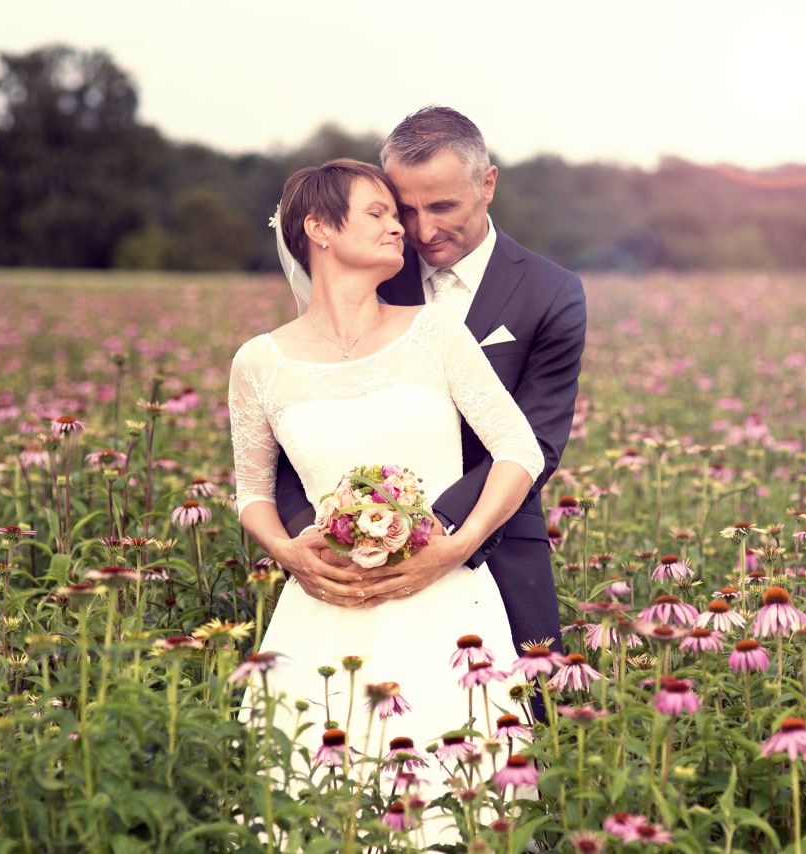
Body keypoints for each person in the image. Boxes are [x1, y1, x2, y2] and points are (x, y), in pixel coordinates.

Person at [229, 158, 541, 844]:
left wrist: (456, 544)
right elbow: (251, 490)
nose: (398, 225)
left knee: (448, 806)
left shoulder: (435, 332)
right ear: (318, 227)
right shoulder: (260, 361)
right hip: (324, 605)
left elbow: (520, 451)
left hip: (444, 605)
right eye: (376, 212)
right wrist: (287, 551)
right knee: (308, 808)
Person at [272, 107, 588, 659]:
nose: (421, 230)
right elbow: (293, 429)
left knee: (519, 728)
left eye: (443, 206)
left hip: (498, 546)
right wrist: (315, 542)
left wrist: (429, 531)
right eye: (404, 208)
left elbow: (536, 440)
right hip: (343, 564)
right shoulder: (366, 273)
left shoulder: (550, 292)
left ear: (487, 184)